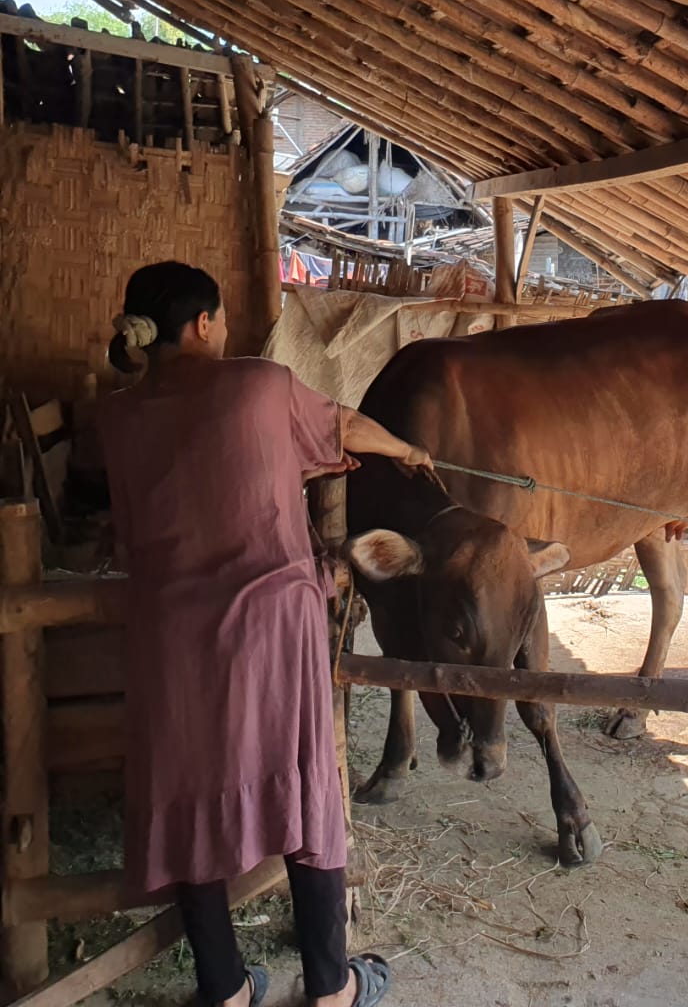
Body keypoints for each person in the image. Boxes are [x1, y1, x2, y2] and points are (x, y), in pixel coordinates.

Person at [98, 262, 435, 1007]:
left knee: (186, 795)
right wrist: (408, 451)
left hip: (169, 637)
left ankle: (224, 988)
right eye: (219, 321)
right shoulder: (259, 384)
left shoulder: (117, 416)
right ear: (203, 325)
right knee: (306, 784)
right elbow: (342, 428)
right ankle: (330, 985)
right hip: (270, 627)